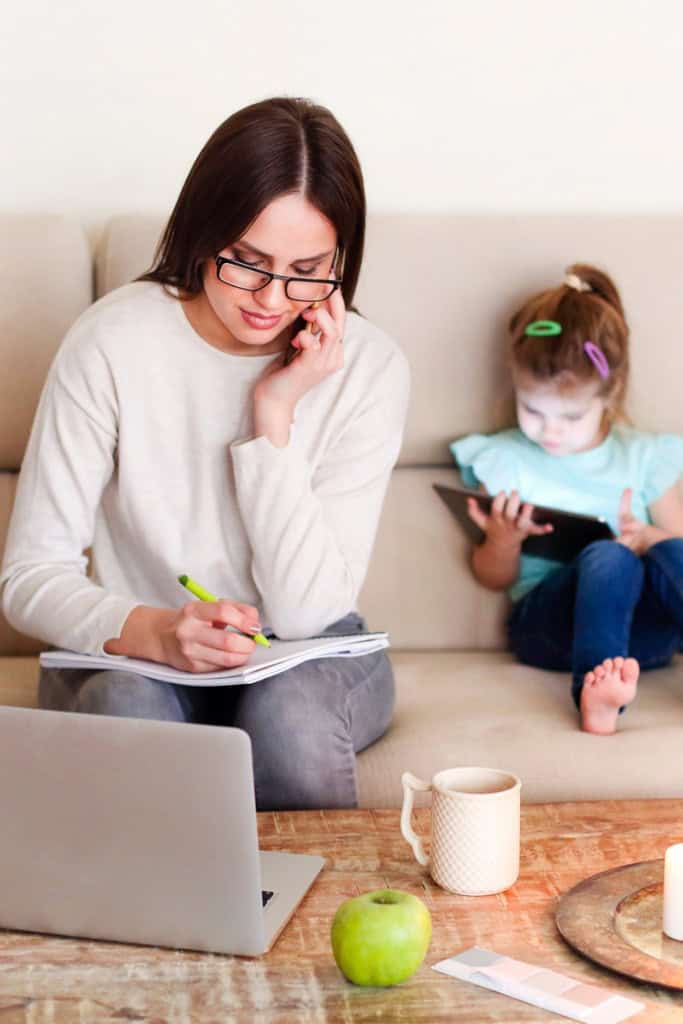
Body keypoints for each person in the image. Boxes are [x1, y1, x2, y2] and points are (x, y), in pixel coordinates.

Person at [0, 97, 410, 808]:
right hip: (139, 653)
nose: (272, 299)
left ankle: (311, 920)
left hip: (302, 652)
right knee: (129, 714)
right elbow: (29, 576)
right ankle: (145, 920)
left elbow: (306, 611)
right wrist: (154, 631)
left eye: (307, 269)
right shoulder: (112, 342)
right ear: (201, 233)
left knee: (290, 719)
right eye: (246, 263)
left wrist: (273, 416)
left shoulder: (368, 368)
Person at [450, 264, 683, 735]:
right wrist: (503, 540)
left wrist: (646, 537)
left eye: (571, 416)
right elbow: (492, 578)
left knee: (667, 551)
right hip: (550, 630)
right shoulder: (505, 461)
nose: (549, 431)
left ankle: (614, 676)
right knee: (607, 558)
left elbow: (677, 549)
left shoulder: (643, 457)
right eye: (532, 409)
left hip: (648, 637)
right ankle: (596, 699)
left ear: (609, 392)